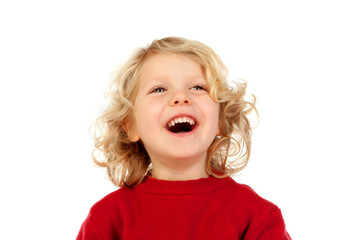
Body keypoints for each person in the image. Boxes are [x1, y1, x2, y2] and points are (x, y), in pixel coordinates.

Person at [76, 37, 291, 239]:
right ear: (131, 126)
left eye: (198, 87)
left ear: (220, 121)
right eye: (159, 89)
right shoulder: (107, 219)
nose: (181, 97)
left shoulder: (258, 217)